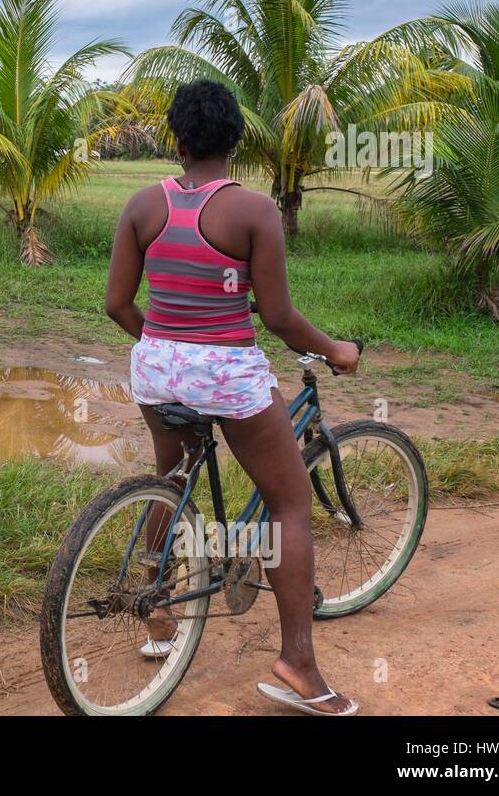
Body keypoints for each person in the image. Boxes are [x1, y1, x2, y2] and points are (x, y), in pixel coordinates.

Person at [104, 79, 362, 716]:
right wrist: (335, 350)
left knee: (171, 477)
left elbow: (116, 304)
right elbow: (276, 316)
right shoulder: (252, 211)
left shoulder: (142, 204)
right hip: (226, 376)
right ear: (234, 140)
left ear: (178, 140)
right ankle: (297, 662)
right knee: (289, 502)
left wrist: (170, 344)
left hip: (156, 367)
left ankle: (159, 614)